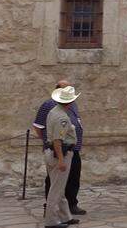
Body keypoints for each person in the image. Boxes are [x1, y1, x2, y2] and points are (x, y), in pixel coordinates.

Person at [33, 79, 86, 216]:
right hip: (59, 149)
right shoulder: (49, 105)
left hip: (72, 148)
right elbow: (38, 126)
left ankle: (71, 205)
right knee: (55, 181)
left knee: (73, 177)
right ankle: (51, 211)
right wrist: (48, 142)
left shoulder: (72, 105)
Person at [43, 85, 81, 228]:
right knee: (56, 190)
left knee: (59, 186)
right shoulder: (62, 117)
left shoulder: (53, 111)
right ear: (70, 102)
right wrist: (60, 160)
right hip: (61, 153)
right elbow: (57, 140)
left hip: (51, 152)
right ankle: (51, 221)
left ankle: (65, 216)